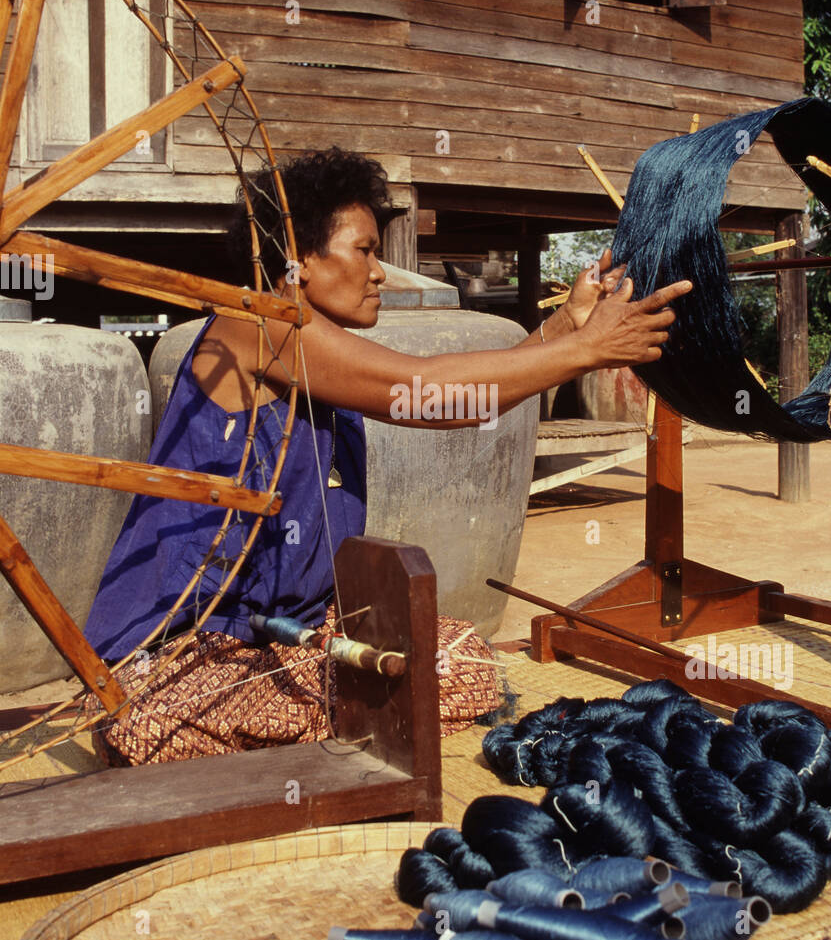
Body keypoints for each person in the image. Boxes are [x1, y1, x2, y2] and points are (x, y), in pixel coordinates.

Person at [84, 147, 691, 766]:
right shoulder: (256, 325)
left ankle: (302, 724)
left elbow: (464, 391)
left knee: (462, 659)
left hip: (281, 643)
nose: (381, 272)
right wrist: (586, 349)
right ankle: (210, 726)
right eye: (364, 251)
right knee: (162, 719)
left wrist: (568, 323)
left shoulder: (321, 356)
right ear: (297, 258)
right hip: (180, 655)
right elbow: (427, 394)